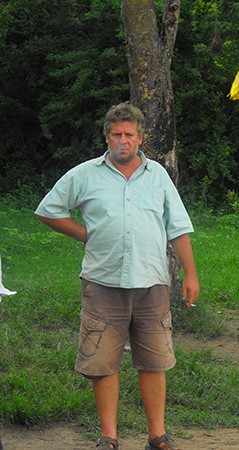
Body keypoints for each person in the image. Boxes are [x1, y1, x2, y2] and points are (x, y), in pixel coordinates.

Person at [35, 102, 200, 450]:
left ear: (141, 137)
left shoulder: (158, 176)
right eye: (116, 134)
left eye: (129, 134)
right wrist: (81, 233)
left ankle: (157, 436)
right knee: (103, 361)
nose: (123, 140)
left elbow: (179, 227)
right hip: (102, 282)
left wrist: (190, 273)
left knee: (154, 360)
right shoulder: (84, 175)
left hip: (152, 282)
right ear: (106, 138)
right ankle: (108, 437)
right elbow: (48, 210)